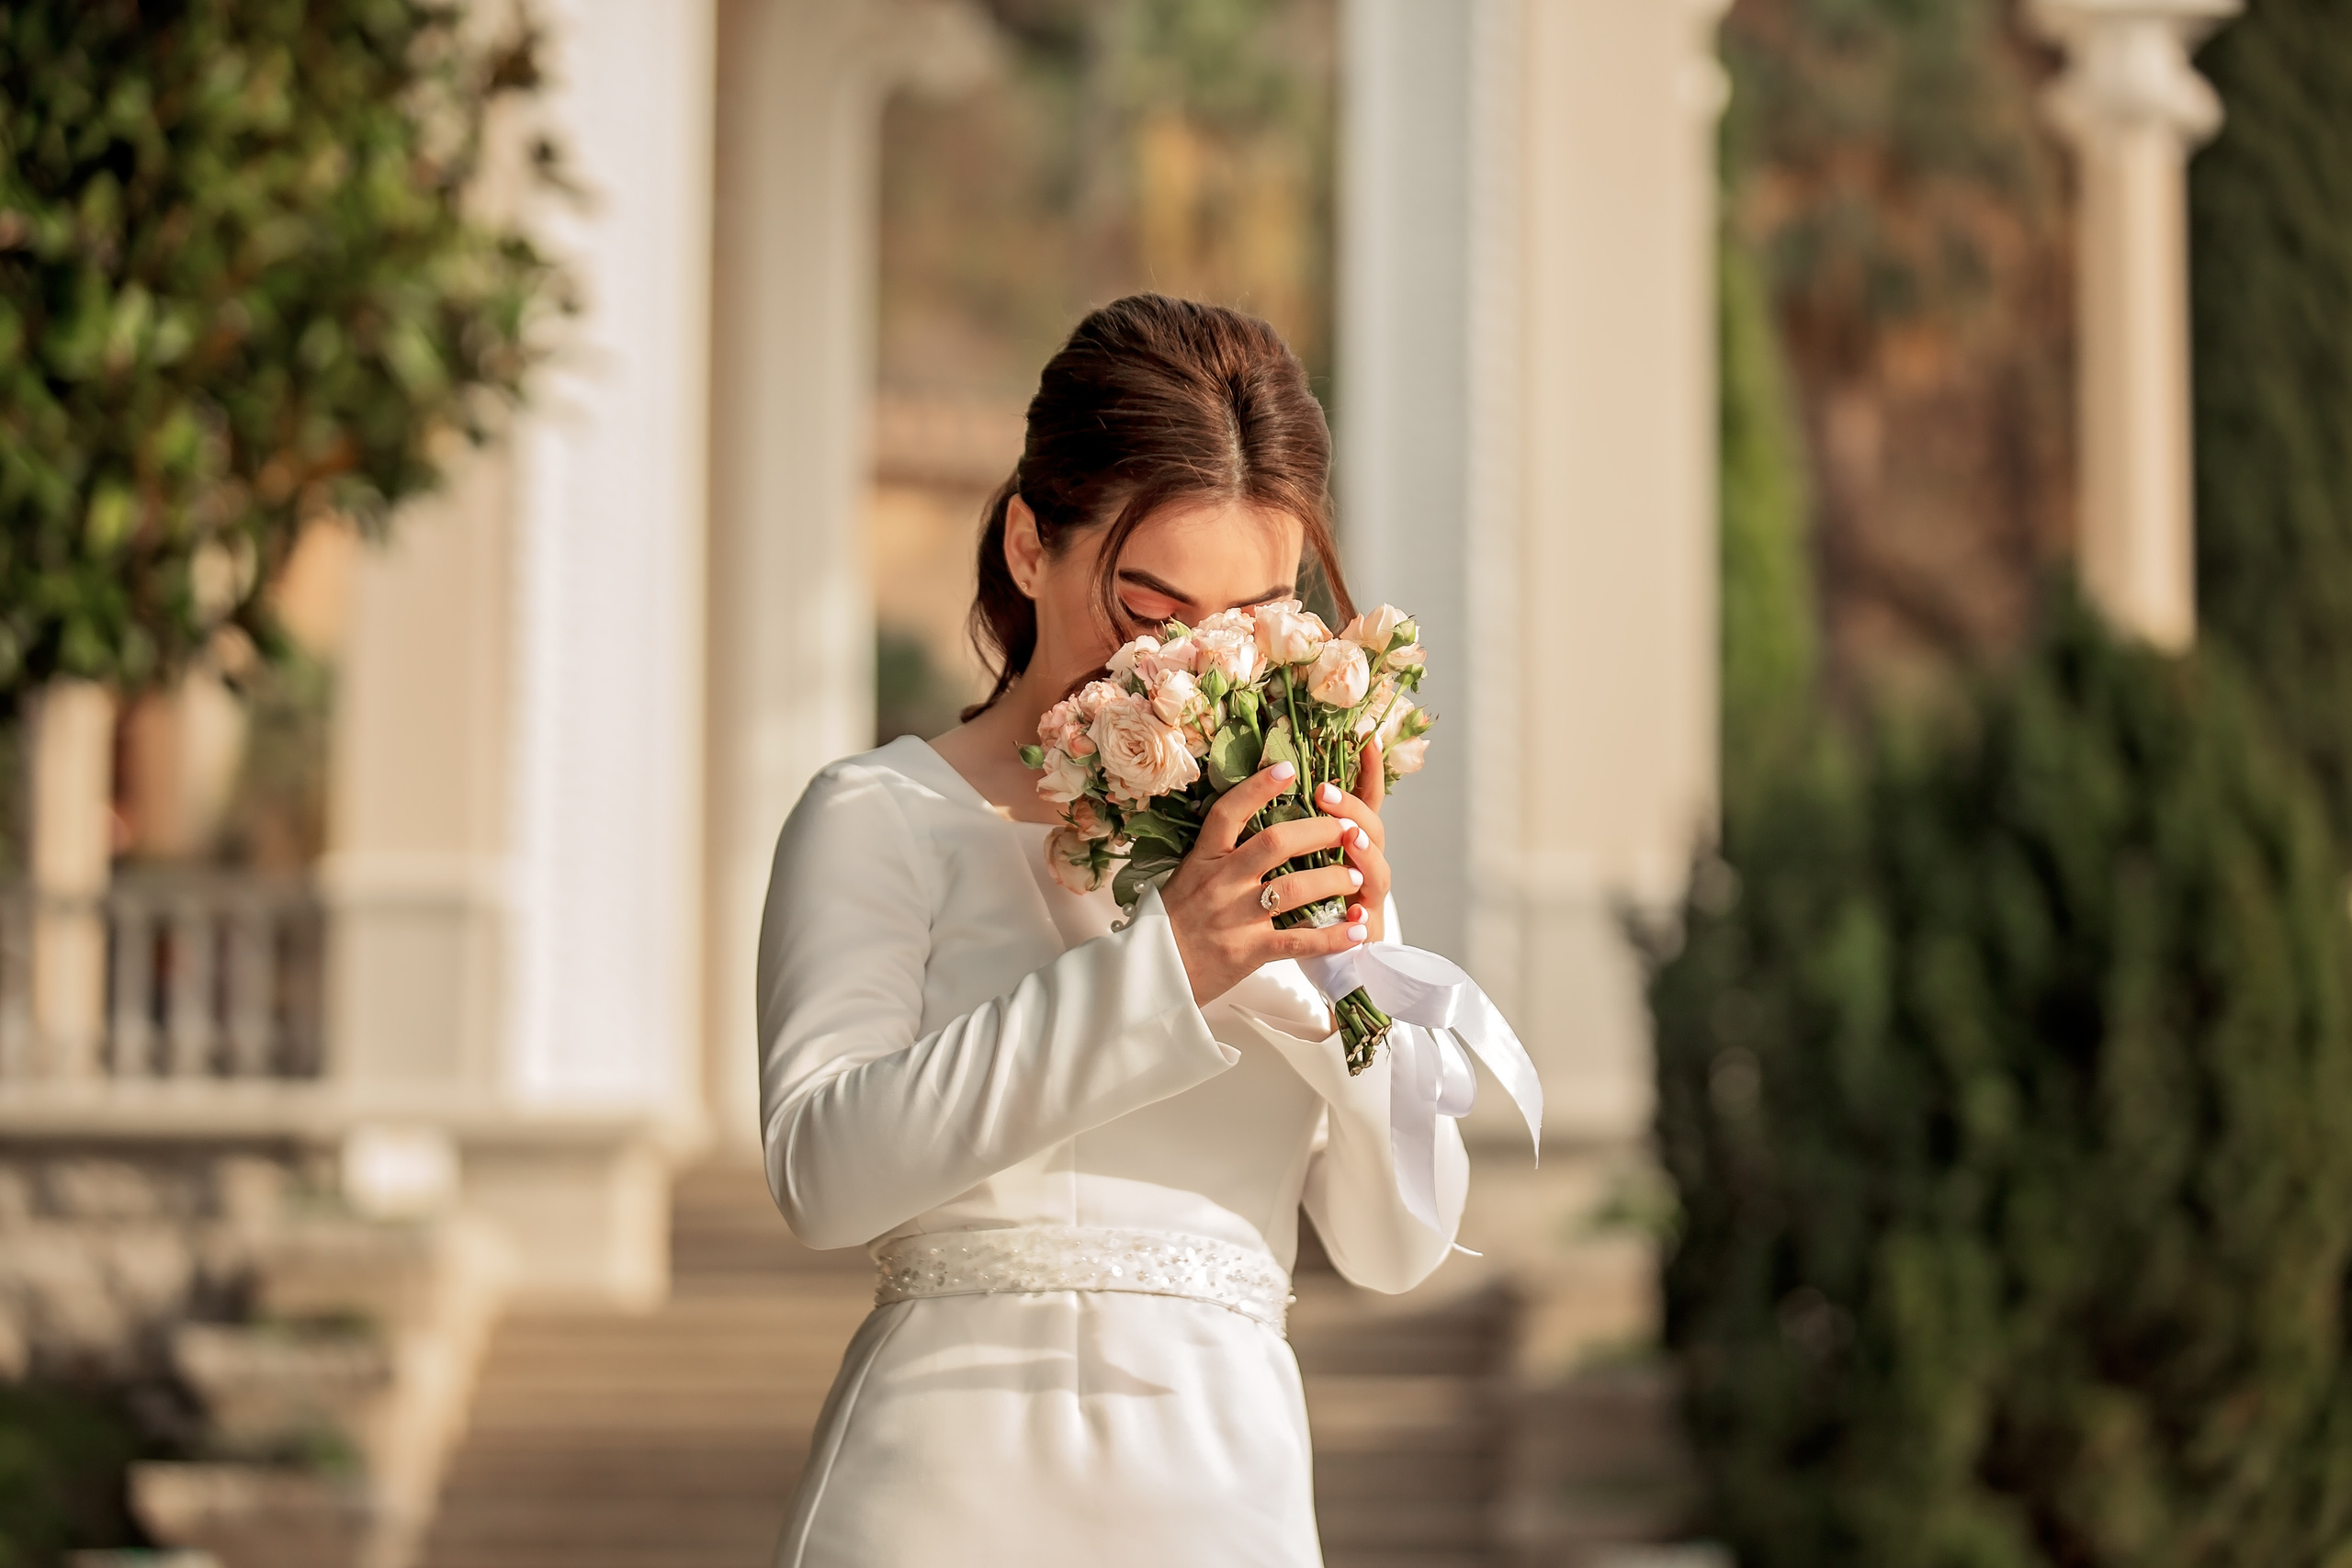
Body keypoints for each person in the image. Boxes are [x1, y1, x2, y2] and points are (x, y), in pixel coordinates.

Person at [758, 294, 1469, 1567]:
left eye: (1251, 617)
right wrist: (1173, 965)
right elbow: (822, 1176)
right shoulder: (881, 815)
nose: (1198, 660)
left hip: (1223, 1499)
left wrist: (1346, 978)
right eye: (1151, 610)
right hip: (935, 1495)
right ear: (1031, 543)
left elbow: (1398, 1243)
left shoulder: (1288, 845)